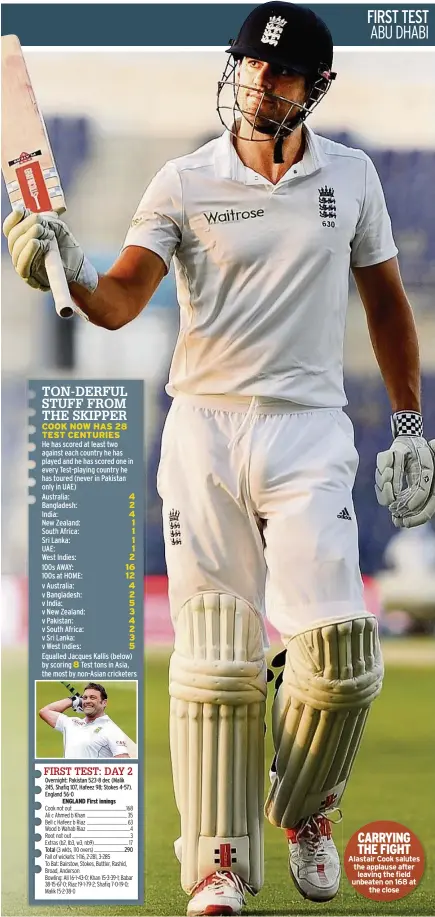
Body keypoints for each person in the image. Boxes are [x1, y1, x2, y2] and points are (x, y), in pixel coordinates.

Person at [5, 2, 435, 912]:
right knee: (216, 660)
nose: (255, 84)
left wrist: (406, 423)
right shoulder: (182, 179)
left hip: (309, 431)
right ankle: (218, 865)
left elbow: (388, 305)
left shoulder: (351, 177)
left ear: (314, 89)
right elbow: (118, 301)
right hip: (203, 429)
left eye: (277, 75)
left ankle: (305, 805)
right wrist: (64, 260)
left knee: (341, 658)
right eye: (246, 66)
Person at [38, 682, 131, 759]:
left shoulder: (111, 730)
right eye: (85, 698)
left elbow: (124, 765)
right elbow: (45, 711)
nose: (87, 701)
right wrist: (73, 700)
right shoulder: (71, 723)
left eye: (93, 698)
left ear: (104, 703)